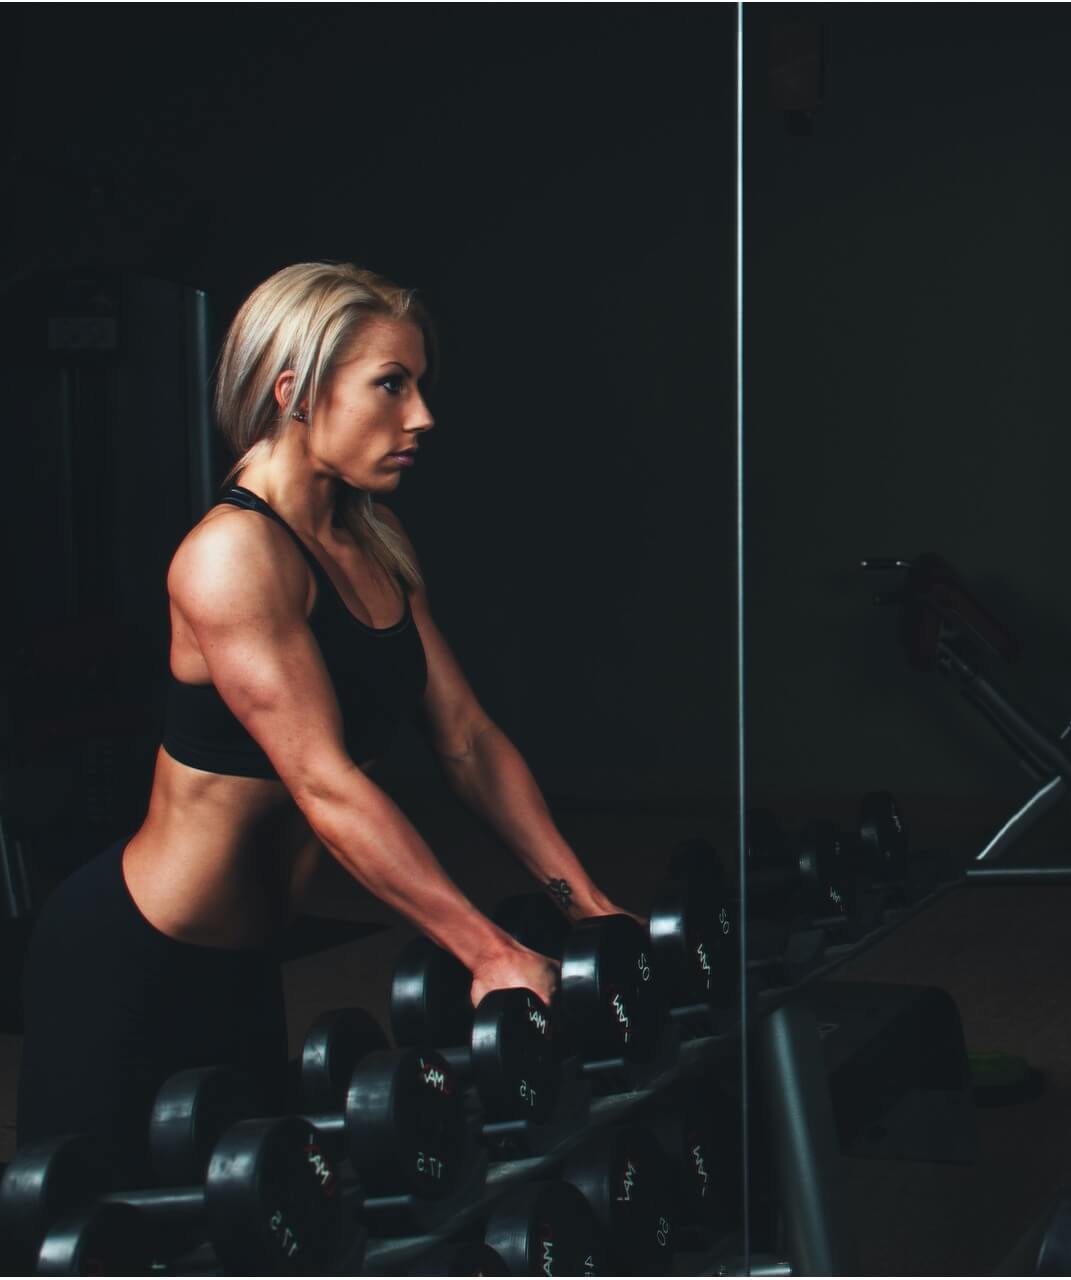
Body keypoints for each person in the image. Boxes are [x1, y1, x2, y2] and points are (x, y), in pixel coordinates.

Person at [18, 262, 635, 1177]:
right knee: (95, 1240)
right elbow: (324, 784)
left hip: (243, 968)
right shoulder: (232, 556)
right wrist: (488, 952)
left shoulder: (370, 543)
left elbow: (466, 740)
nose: (421, 416)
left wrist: (586, 911)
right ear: (292, 391)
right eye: (392, 384)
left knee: (252, 1223)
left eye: (419, 384)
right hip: (131, 960)